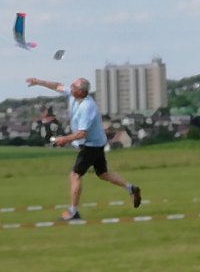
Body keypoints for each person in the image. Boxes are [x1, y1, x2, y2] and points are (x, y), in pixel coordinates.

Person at [26, 76, 142, 220]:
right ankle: (131, 188)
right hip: (96, 143)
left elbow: (82, 134)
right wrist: (38, 81)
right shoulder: (73, 94)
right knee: (103, 174)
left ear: (81, 92)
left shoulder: (88, 107)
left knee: (75, 176)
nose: (71, 87)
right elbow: (57, 86)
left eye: (74, 86)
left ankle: (73, 212)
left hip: (90, 145)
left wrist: (64, 139)